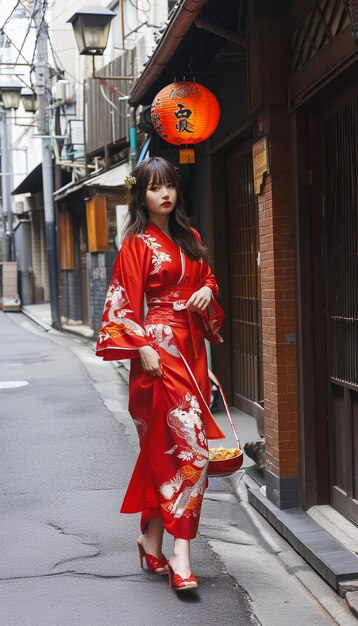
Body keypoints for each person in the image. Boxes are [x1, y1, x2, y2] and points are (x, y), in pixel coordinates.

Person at [96, 156, 225, 592]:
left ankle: (150, 540)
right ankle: (180, 554)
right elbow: (122, 305)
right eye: (154, 188)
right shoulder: (135, 243)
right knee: (193, 453)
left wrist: (208, 288)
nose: (164, 194)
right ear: (141, 195)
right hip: (157, 352)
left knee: (162, 448)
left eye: (169, 185)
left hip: (192, 349)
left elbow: (207, 278)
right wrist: (143, 347)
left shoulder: (190, 237)